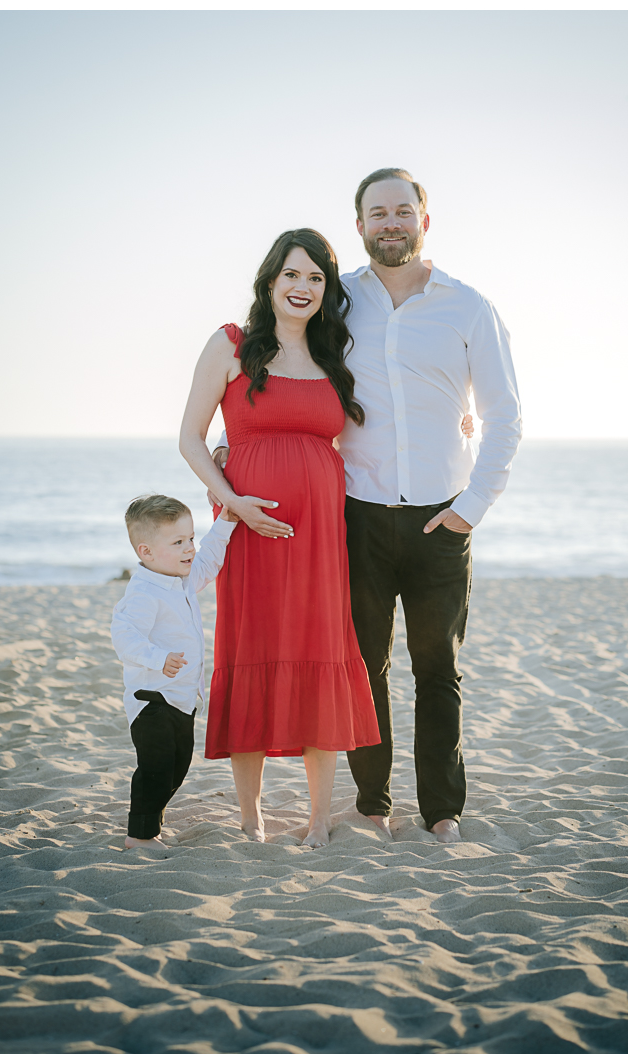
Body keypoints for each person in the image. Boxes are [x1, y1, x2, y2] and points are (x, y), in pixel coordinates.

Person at [214, 168, 521, 844]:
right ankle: (373, 805)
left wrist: (472, 506)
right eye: (377, 212)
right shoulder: (334, 299)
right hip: (354, 513)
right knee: (363, 664)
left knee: (438, 667)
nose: (390, 222)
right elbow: (278, 363)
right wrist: (228, 447)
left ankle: (442, 812)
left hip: (444, 515)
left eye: (402, 211)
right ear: (358, 225)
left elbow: (504, 416)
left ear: (424, 221)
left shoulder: (468, 307)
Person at [178, 229, 381, 848]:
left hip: (321, 537)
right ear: (270, 281)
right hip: (248, 532)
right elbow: (191, 437)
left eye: (317, 278)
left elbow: (379, 427)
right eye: (292, 275)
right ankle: (251, 819)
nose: (303, 287)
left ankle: (319, 820)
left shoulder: (334, 356)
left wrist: (462, 418)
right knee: (251, 650)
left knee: (321, 651)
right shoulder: (232, 346)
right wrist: (231, 499)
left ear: (327, 290)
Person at [111, 495, 238, 849]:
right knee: (156, 765)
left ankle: (152, 819)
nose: (190, 548)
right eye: (178, 542)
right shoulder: (143, 592)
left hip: (182, 698)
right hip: (150, 699)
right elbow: (124, 636)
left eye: (191, 538)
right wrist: (157, 658)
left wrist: (225, 523)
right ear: (146, 551)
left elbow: (210, 561)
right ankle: (141, 836)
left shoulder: (180, 578)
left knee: (178, 766)